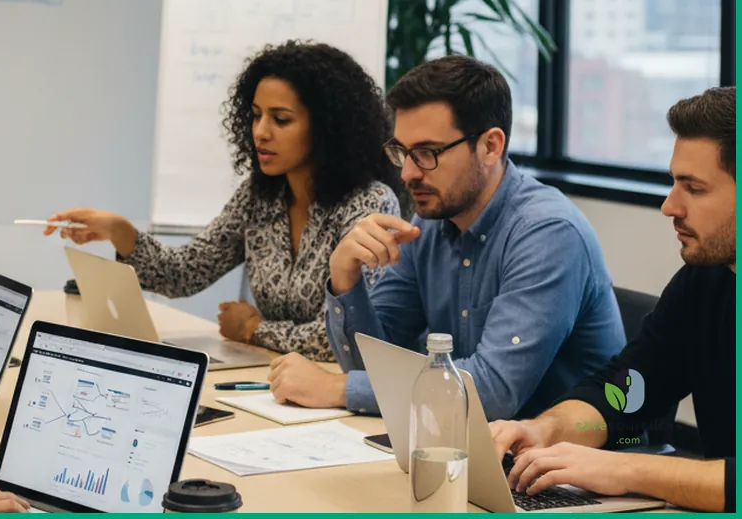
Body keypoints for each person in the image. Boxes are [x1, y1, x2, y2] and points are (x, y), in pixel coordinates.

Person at [268, 55, 626, 419]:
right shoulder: (430, 224)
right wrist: (344, 280)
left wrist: (335, 389)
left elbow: (493, 392)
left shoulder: (548, 234)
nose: (408, 173)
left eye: (426, 153)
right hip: (472, 445)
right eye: (402, 152)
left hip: (577, 462)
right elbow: (373, 367)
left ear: (490, 146)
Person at [44, 41, 402, 360]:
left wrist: (253, 329)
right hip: (273, 382)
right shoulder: (259, 196)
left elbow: (353, 336)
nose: (261, 131)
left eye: (281, 119)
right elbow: (185, 274)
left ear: (327, 128)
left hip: (336, 397)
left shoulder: (369, 205)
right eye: (256, 115)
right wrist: (120, 231)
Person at [489, 87, 735, 513]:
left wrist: (624, 472)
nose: (669, 206)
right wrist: (547, 429)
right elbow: (627, 390)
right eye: (673, 182)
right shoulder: (705, 280)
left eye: (693, 188)